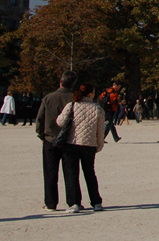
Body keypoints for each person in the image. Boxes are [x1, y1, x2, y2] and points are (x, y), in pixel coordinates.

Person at [56, 83, 105, 213]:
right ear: (90, 94)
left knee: (71, 174)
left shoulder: (72, 106)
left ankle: (74, 202)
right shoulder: (97, 109)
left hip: (72, 143)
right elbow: (100, 131)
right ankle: (96, 202)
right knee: (90, 173)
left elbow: (60, 122)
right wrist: (99, 145)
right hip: (89, 144)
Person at [36, 70, 77, 212]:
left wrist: (42, 136)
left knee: (50, 174)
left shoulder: (48, 98)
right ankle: (73, 201)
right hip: (69, 140)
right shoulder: (75, 98)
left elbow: (40, 119)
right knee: (71, 173)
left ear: (60, 81)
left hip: (50, 139)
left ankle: (50, 203)